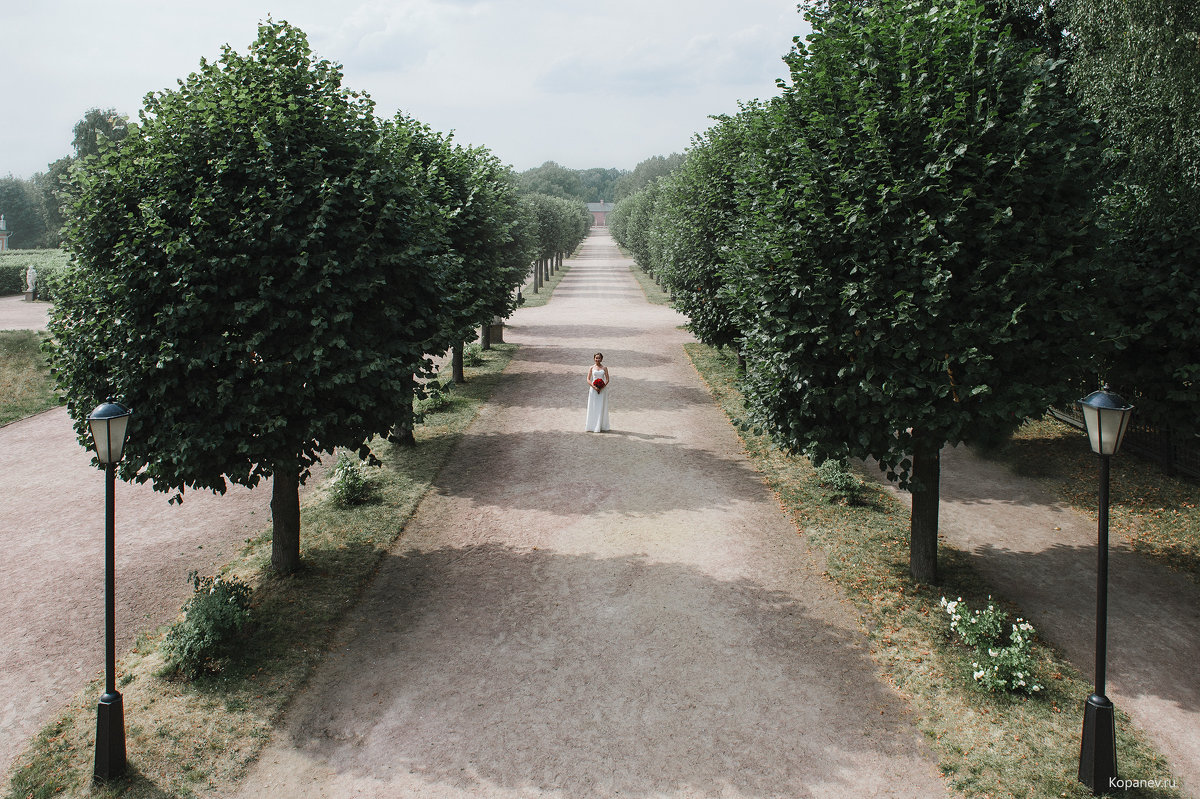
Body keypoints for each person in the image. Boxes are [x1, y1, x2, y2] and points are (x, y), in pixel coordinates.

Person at [585, 352, 610, 432]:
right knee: (593, 406)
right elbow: (588, 379)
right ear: (594, 358)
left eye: (599, 358)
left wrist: (602, 386)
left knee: (601, 406)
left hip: (602, 389)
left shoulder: (605, 368)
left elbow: (607, 379)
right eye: (596, 358)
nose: (597, 359)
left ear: (601, 359)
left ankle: (601, 425)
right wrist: (594, 387)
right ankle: (592, 426)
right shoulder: (591, 368)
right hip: (593, 389)